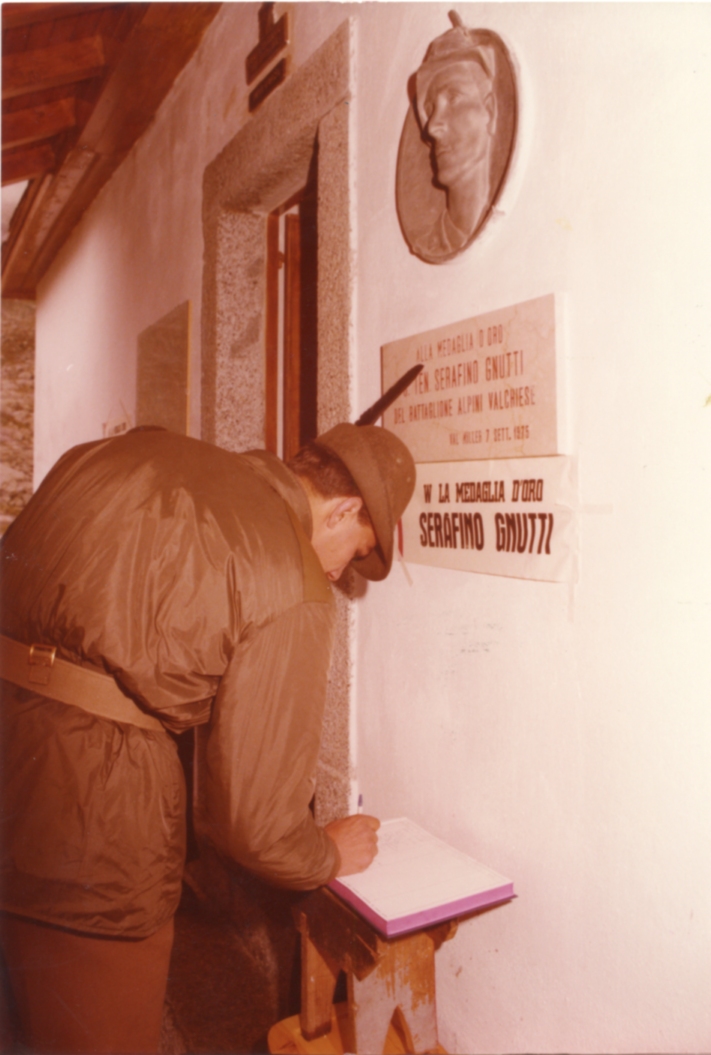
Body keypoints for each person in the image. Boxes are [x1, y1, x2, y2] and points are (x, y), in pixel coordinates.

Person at [0, 422, 415, 1053]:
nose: (336, 574)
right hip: (91, 825)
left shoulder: (135, 449)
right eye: (354, 553)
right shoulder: (290, 575)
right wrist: (327, 853)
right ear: (345, 509)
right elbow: (255, 822)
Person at [410, 15, 498, 262]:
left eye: (454, 98)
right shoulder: (429, 240)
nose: (433, 127)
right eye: (431, 106)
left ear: (489, 112)